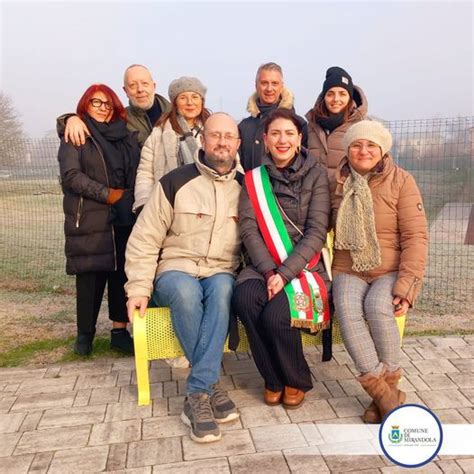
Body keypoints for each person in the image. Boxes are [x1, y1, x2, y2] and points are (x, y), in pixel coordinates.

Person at [125, 112, 242, 443]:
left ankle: (198, 394)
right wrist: (138, 288)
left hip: (221, 269)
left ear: (238, 144)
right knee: (187, 293)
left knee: (222, 291)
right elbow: (144, 239)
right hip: (176, 269)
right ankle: (208, 387)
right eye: (215, 135)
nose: (221, 142)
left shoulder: (246, 188)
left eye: (228, 136)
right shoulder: (174, 182)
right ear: (202, 140)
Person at [231, 108, 331, 409]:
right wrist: (268, 270)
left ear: (299, 138)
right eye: (275, 133)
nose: (282, 139)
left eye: (289, 133)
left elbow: (316, 232)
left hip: (305, 267)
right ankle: (273, 378)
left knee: (276, 316)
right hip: (263, 266)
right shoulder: (254, 180)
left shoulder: (317, 175)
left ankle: (296, 378)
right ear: (265, 139)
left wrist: (284, 274)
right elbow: (248, 228)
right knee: (245, 300)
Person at [331, 120, 428, 423]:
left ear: (382, 150)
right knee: (346, 307)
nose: (363, 150)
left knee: (377, 305)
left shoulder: (402, 181)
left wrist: (407, 285)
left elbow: (416, 236)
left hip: (389, 268)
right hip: (347, 266)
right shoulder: (336, 182)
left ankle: (384, 394)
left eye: (371, 145)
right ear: (348, 149)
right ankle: (386, 397)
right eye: (357, 145)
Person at [58, 84, 140, 356]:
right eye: (96, 102)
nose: (103, 107)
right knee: (90, 277)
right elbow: (71, 176)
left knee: (121, 275)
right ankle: (85, 335)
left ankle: (119, 331)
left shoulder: (126, 136)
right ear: (85, 104)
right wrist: (108, 195)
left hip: (125, 215)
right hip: (92, 217)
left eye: (108, 103)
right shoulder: (77, 133)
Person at [134, 76, 209, 214]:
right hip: (169, 205)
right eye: (183, 98)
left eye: (195, 97)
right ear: (175, 103)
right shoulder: (159, 132)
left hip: (208, 204)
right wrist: (144, 204)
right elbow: (145, 172)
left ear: (202, 100)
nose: (189, 102)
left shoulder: (213, 129)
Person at [57, 64, 171, 148]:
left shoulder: (176, 113)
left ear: (154, 86)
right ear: (125, 90)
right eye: (133, 85)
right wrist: (70, 119)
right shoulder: (120, 119)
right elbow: (94, 125)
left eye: (145, 83)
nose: (140, 90)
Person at [306, 66, 368, 193]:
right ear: (324, 97)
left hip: (345, 197)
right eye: (330, 94)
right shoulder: (311, 126)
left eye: (342, 94)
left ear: (350, 97)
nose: (336, 99)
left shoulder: (362, 127)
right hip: (315, 197)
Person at [239, 62, 308, 171]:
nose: (269, 88)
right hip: (251, 186)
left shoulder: (299, 124)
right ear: (256, 85)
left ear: (282, 86)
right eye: (264, 83)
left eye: (274, 83)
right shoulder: (244, 127)